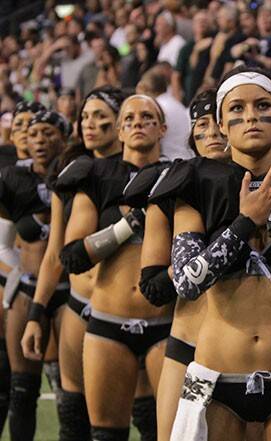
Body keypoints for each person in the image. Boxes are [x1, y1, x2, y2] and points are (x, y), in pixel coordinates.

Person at [166, 66, 271, 441]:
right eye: (237, 108)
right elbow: (186, 281)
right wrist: (246, 222)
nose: (250, 116)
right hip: (214, 383)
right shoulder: (195, 181)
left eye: (262, 105)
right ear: (220, 121)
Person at [20, 87, 156, 441]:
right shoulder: (76, 173)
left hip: (144, 308)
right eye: (85, 117)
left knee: (150, 420)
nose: (91, 123)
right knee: (74, 415)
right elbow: (58, 254)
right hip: (82, 304)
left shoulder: (159, 172)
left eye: (101, 116)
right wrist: (37, 311)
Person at [58, 95, 174, 440]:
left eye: (147, 117)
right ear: (120, 131)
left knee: (169, 433)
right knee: (106, 435)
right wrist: (128, 225)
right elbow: (73, 256)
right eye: (129, 118)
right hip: (108, 323)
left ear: (162, 128)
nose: (138, 122)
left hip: (167, 325)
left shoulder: (179, 175)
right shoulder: (95, 175)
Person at [142, 89, 230, 441]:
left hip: (251, 348)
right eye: (201, 125)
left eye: (218, 122)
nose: (211, 133)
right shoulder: (177, 182)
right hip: (189, 343)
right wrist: (196, 259)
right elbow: (153, 286)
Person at [0, 110, 71, 441]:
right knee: (23, 389)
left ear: (64, 137)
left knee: (71, 393)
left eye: (48, 132)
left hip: (70, 293)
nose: (40, 140)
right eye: (34, 133)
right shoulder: (13, 179)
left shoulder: (78, 174)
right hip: (26, 288)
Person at [136, 69, 193, 161]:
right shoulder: (175, 103)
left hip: (170, 162)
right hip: (185, 158)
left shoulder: (157, 108)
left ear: (143, 88)